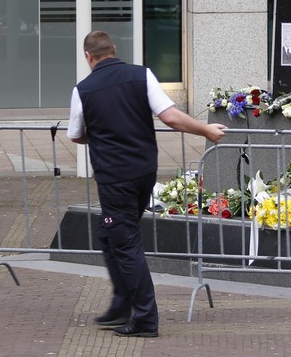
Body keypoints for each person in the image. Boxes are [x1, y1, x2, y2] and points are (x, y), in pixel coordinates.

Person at [68, 30, 227, 337]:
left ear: (88, 56)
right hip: (144, 172)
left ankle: (144, 318)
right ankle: (121, 305)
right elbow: (171, 117)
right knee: (109, 233)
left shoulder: (83, 90)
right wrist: (205, 130)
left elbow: (76, 135)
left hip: (115, 178)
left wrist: (101, 133)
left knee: (125, 242)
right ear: (114, 50)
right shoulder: (142, 76)